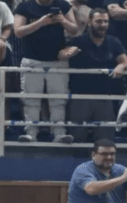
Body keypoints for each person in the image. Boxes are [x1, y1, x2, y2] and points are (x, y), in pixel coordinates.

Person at [14, 0, 79, 143]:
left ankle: (59, 133)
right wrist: (40, 23)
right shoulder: (25, 6)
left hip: (57, 60)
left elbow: (75, 29)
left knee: (58, 100)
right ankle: (31, 132)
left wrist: (63, 20)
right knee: (31, 99)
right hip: (31, 59)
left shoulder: (63, 5)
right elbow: (18, 32)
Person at [60, 8, 127, 143]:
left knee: (105, 139)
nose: (103, 25)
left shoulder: (114, 42)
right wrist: (67, 53)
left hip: (104, 97)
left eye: (106, 21)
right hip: (80, 98)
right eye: (99, 21)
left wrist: (121, 66)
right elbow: (61, 55)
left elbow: (126, 61)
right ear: (89, 22)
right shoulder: (78, 41)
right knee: (77, 138)